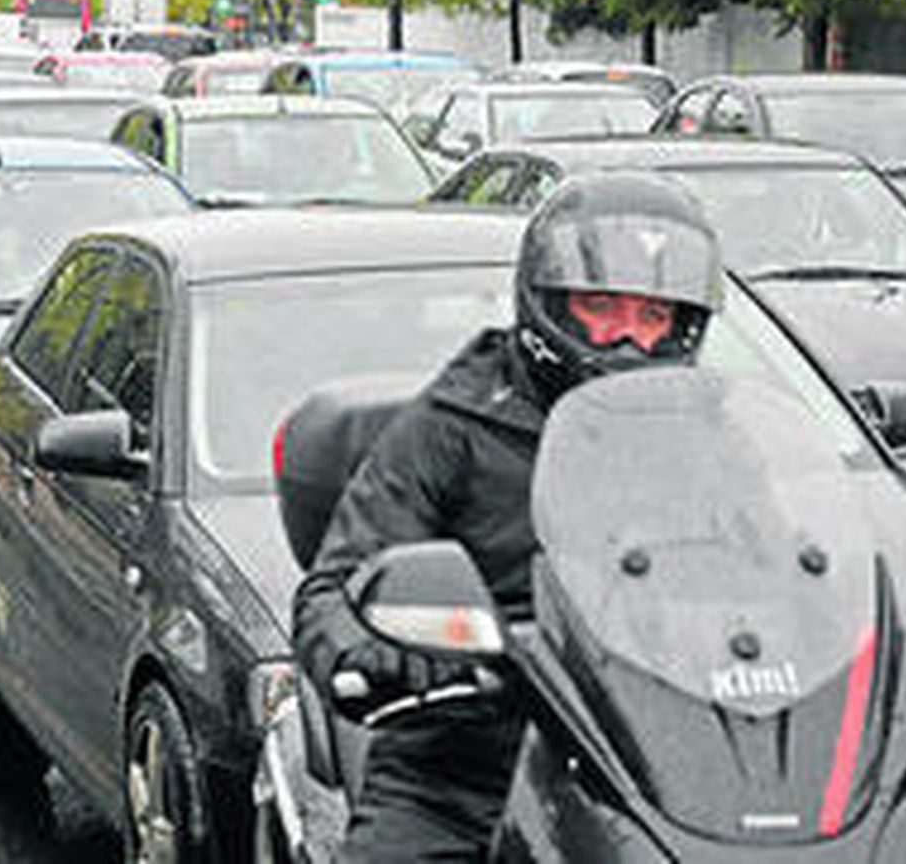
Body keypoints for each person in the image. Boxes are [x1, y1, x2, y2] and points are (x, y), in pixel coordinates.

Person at [292, 170, 724, 862]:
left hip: (669, 762)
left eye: (653, 317)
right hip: (469, 765)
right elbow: (331, 590)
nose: (628, 338)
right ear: (548, 301)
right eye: (603, 306)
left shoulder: (712, 435)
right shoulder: (451, 424)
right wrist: (388, 653)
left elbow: (792, 563)